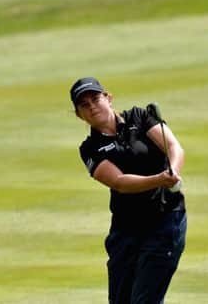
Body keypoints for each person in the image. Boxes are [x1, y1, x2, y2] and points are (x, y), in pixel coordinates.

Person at [70, 77, 187, 304]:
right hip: (126, 231)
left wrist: (173, 169)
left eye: (95, 98)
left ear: (109, 98)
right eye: (84, 105)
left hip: (164, 222)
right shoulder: (90, 149)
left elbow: (174, 146)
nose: (92, 106)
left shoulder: (140, 117)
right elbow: (119, 182)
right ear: (79, 115)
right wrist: (159, 179)